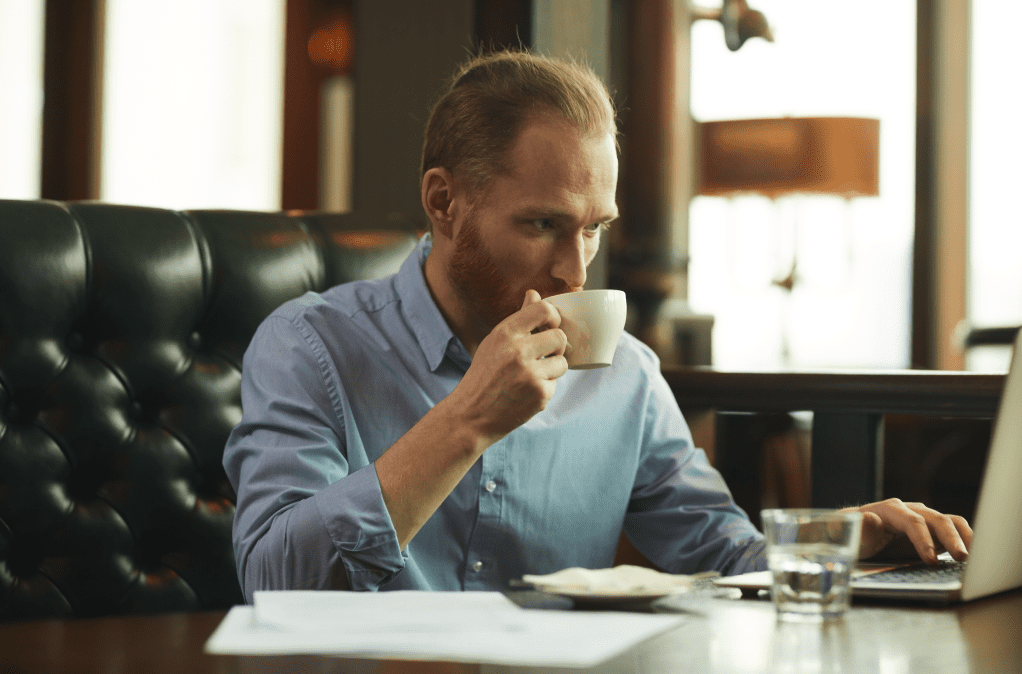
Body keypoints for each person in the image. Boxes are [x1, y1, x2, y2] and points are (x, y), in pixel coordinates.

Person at [223, 50, 972, 603]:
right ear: (445, 203)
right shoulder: (309, 346)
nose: (575, 273)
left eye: (593, 229)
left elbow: (722, 557)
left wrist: (842, 534)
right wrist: (467, 421)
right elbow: (273, 582)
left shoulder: (627, 376)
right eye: (544, 224)